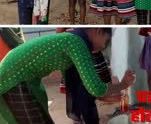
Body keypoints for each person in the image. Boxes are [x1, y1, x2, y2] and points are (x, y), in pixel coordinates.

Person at [0, 28, 135, 124]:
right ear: (98, 31)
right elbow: (96, 88)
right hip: (13, 78)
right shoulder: (77, 43)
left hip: (20, 75)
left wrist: (103, 93)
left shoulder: (74, 38)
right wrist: (123, 84)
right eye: (105, 42)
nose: (102, 47)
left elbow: (86, 85)